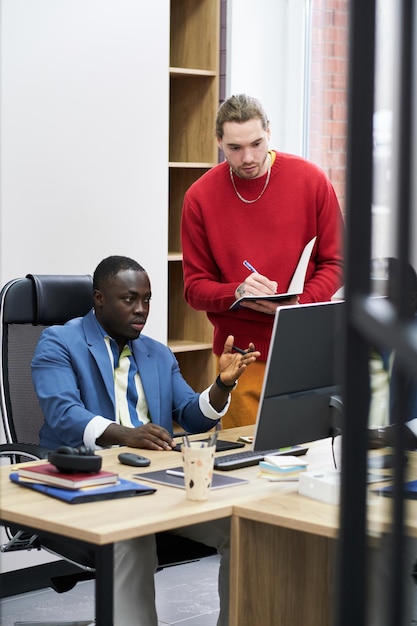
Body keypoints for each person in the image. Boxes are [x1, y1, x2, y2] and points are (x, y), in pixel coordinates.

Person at [31, 255, 261, 626]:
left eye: (148, 299)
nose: (142, 310)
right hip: (92, 481)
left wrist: (222, 385)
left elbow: (191, 415)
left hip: (158, 483)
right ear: (99, 298)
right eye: (129, 299)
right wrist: (127, 435)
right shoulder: (59, 343)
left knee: (245, 528)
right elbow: (63, 413)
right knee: (131, 535)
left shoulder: (157, 352)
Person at [181, 93, 344, 429]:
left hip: (304, 343)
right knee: (246, 461)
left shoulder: (311, 180)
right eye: (235, 148)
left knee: (309, 451)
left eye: (256, 143)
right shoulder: (199, 197)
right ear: (219, 143)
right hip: (240, 354)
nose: (248, 157)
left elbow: (337, 262)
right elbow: (194, 289)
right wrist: (236, 291)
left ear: (269, 132)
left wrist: (299, 302)